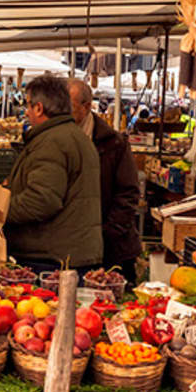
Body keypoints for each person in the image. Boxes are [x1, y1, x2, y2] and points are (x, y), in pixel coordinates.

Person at [3, 74, 101, 270]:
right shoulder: (74, 136)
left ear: (39, 108)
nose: (26, 112)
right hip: (69, 252)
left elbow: (41, 200)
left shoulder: (52, 142)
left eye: (28, 105)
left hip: (50, 257)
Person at [68, 79, 140, 284]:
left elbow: (129, 193)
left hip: (111, 248)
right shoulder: (60, 138)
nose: (64, 113)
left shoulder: (114, 143)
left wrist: (107, 233)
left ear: (87, 106)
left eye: (70, 107)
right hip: (74, 245)